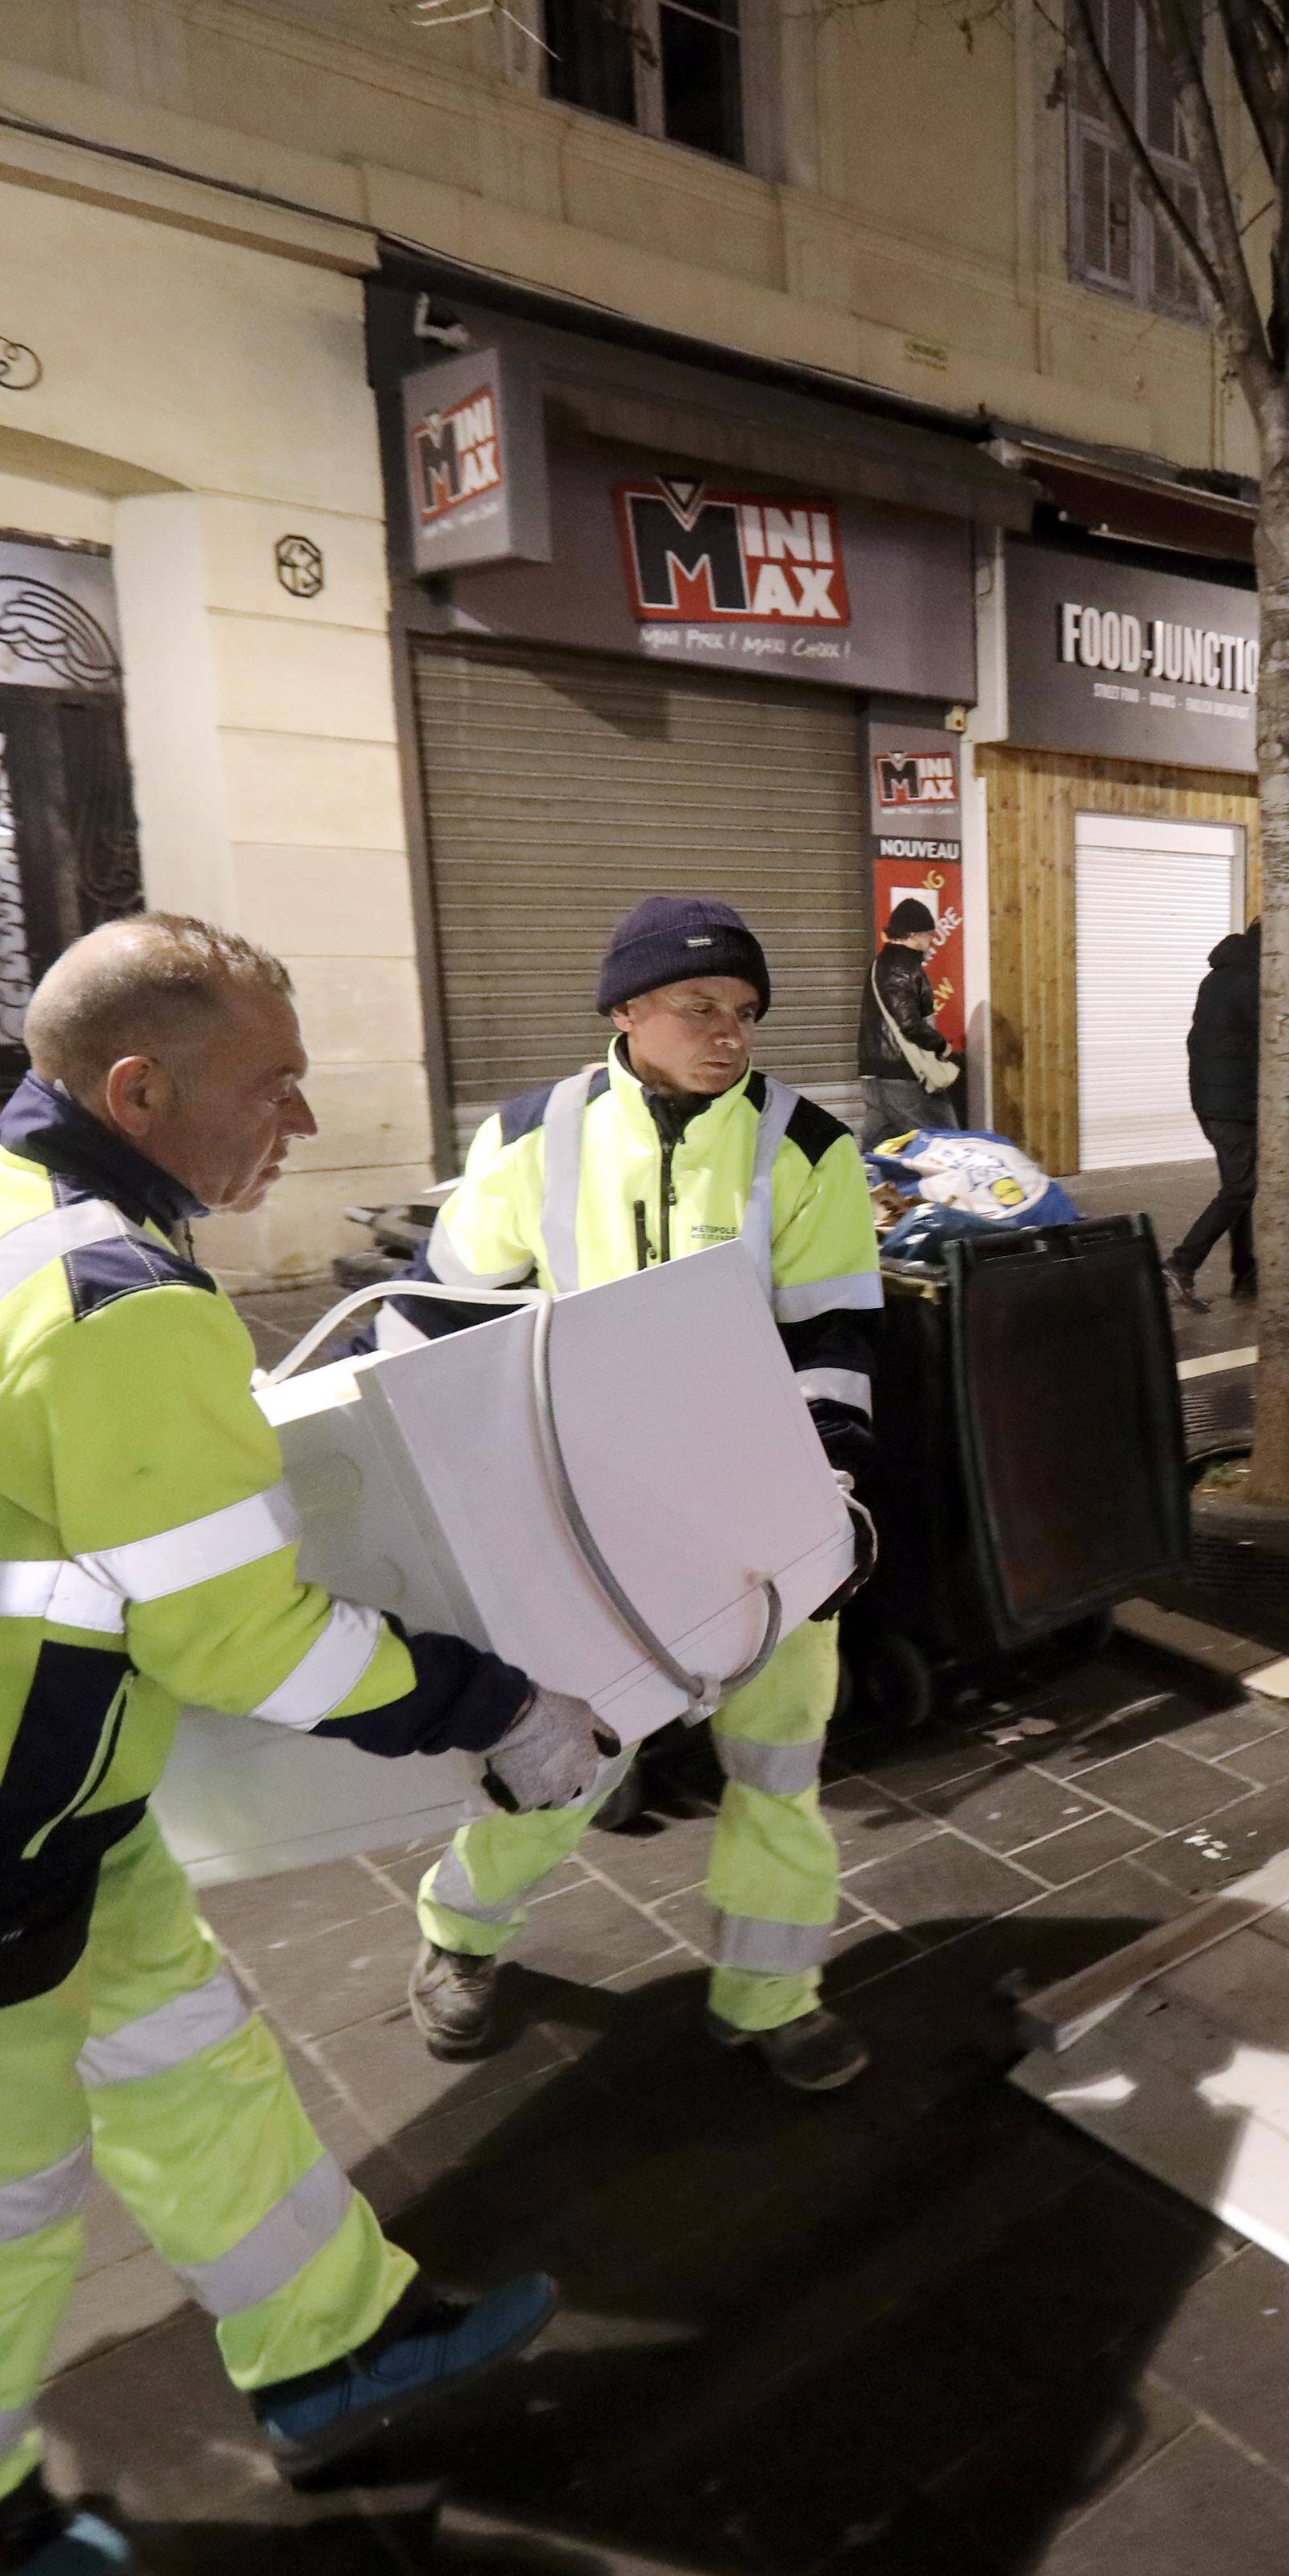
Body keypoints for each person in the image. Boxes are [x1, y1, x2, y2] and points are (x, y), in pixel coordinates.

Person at [0, 912, 596, 2576]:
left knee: (193, 2063)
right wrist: (496, 1704)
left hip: (25, 1794)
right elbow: (241, 1638)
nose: (303, 1123)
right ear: (136, 1085)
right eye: (274, 1085)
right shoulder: (113, 1300)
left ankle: (333, 2341)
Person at [392, 894, 881, 2091]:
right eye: (700, 1006)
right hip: (585, 1512)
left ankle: (771, 1996)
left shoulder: (806, 1143)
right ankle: (459, 1934)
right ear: (628, 1010)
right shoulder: (536, 1130)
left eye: (746, 1012)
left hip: (756, 1511)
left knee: (777, 1767)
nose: (730, 1033)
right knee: (564, 1757)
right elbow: (438, 1305)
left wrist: (834, 1494)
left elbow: (837, 1335)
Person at [1164, 921, 1261, 1314]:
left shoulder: (1218, 976)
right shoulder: (1251, 983)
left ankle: (1246, 1271)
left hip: (1215, 1100)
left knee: (1241, 1184)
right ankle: (1182, 1264)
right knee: (1239, 1189)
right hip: (1232, 1105)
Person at [858, 897, 960, 1143]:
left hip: (875, 1072)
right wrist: (941, 1045)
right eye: (928, 935)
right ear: (914, 935)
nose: (930, 941)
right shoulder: (903, 968)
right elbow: (909, 1024)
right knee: (938, 1144)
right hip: (901, 1075)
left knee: (876, 1148)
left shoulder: (880, 963)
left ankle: (866, 1182)